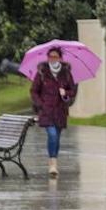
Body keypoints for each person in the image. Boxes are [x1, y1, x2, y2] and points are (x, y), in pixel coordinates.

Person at [30, 47, 77, 177]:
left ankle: (53, 161)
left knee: (57, 137)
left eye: (55, 57)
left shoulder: (66, 73)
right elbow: (34, 91)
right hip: (46, 111)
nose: (52, 59)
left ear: (60, 59)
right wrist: (41, 104)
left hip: (60, 111)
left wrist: (65, 92)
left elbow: (73, 91)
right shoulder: (42, 73)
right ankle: (53, 164)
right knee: (52, 135)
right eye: (50, 56)